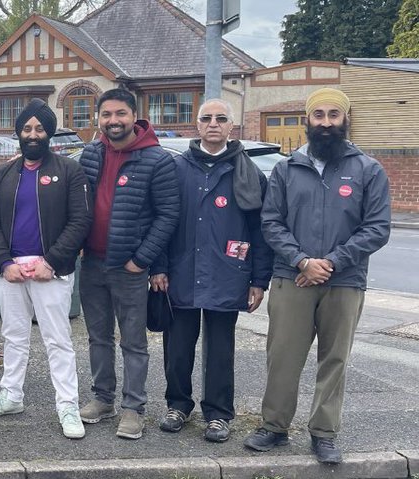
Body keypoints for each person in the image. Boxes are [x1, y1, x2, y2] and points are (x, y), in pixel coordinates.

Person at [244, 88, 391, 464]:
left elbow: (376, 227)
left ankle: (324, 433)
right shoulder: (285, 168)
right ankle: (274, 427)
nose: (326, 122)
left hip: (344, 281)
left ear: (345, 120)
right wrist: (301, 262)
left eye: (333, 115)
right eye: (319, 115)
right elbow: (271, 222)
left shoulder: (368, 169)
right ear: (307, 121)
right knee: (282, 356)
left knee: (334, 359)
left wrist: (331, 263)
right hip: (292, 277)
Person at [148, 99, 272, 443]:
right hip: (180, 272)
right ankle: (177, 404)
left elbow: (261, 231)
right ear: (196, 125)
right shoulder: (176, 169)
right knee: (177, 347)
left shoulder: (248, 173)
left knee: (220, 349)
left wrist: (259, 280)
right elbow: (160, 221)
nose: (213, 123)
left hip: (227, 273)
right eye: (206, 118)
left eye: (221, 119)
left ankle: (218, 414)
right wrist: (157, 267)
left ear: (232, 127)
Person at [0, 99, 92, 439]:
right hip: (11, 272)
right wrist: (3, 262)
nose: (32, 134)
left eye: (39, 128)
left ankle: (68, 405)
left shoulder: (70, 171)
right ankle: (11, 395)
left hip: (50, 272)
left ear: (49, 133)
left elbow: (80, 220)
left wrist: (52, 262)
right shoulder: (2, 174)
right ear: (18, 133)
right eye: (26, 129)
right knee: (14, 338)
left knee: (58, 340)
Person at [77, 88, 179, 439]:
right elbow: (77, 205)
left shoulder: (157, 160)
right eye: (106, 115)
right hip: (91, 264)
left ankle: (133, 408)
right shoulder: (90, 154)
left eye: (120, 114)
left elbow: (168, 216)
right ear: (98, 118)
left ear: (134, 116)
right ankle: (102, 399)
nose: (113, 121)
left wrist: (142, 260)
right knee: (98, 337)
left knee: (133, 341)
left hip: (130, 268)